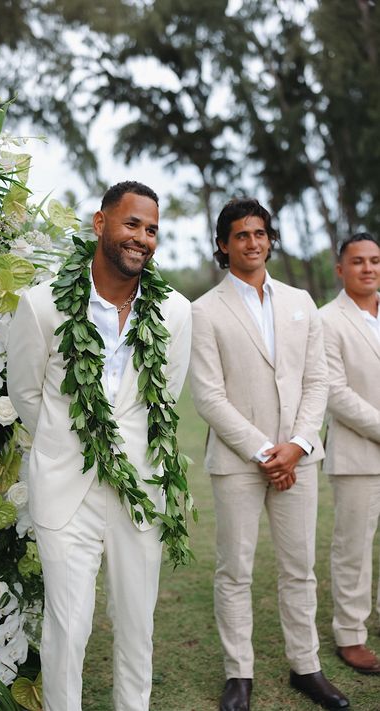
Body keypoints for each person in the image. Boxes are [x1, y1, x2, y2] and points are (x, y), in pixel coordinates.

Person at [7, 181, 192, 711]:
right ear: (100, 223)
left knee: (137, 624)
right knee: (69, 628)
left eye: (152, 229)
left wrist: (124, 454)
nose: (142, 237)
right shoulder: (42, 306)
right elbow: (25, 392)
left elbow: (167, 396)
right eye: (132, 223)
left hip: (140, 491)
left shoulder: (175, 312)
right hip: (66, 491)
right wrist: (72, 443)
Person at [190, 198, 349, 711]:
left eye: (260, 233)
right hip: (240, 462)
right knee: (235, 570)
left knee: (300, 568)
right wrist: (264, 451)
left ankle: (307, 667)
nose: (252, 242)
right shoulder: (204, 311)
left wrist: (297, 445)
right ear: (223, 244)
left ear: (270, 240)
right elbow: (209, 396)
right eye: (240, 235)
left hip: (299, 459)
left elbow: (318, 379)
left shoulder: (302, 301)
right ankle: (240, 674)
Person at [320, 232, 380, 675]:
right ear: (340, 270)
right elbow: (335, 393)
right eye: (357, 262)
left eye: (375, 261)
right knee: (353, 548)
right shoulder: (327, 320)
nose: (368, 268)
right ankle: (350, 634)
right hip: (358, 453)